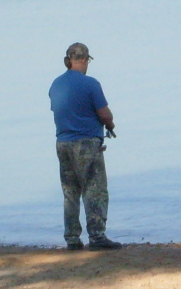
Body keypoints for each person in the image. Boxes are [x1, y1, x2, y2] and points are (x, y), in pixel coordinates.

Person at [49, 42, 121, 251]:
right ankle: (97, 237)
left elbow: (58, 109)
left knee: (70, 191)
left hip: (62, 143)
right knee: (94, 189)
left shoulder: (55, 84)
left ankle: (72, 238)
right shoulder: (90, 83)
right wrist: (110, 125)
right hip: (86, 143)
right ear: (83, 60)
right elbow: (105, 114)